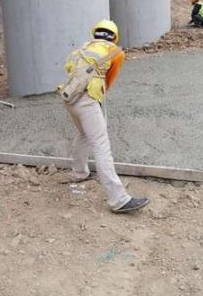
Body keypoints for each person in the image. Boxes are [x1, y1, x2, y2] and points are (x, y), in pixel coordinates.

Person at [61, 20, 149, 213]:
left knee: (83, 134)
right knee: (101, 145)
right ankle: (118, 200)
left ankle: (79, 172)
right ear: (113, 37)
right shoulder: (115, 52)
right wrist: (96, 94)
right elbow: (109, 80)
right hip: (88, 100)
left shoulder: (82, 49)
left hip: (70, 98)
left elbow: (69, 69)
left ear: (96, 34)